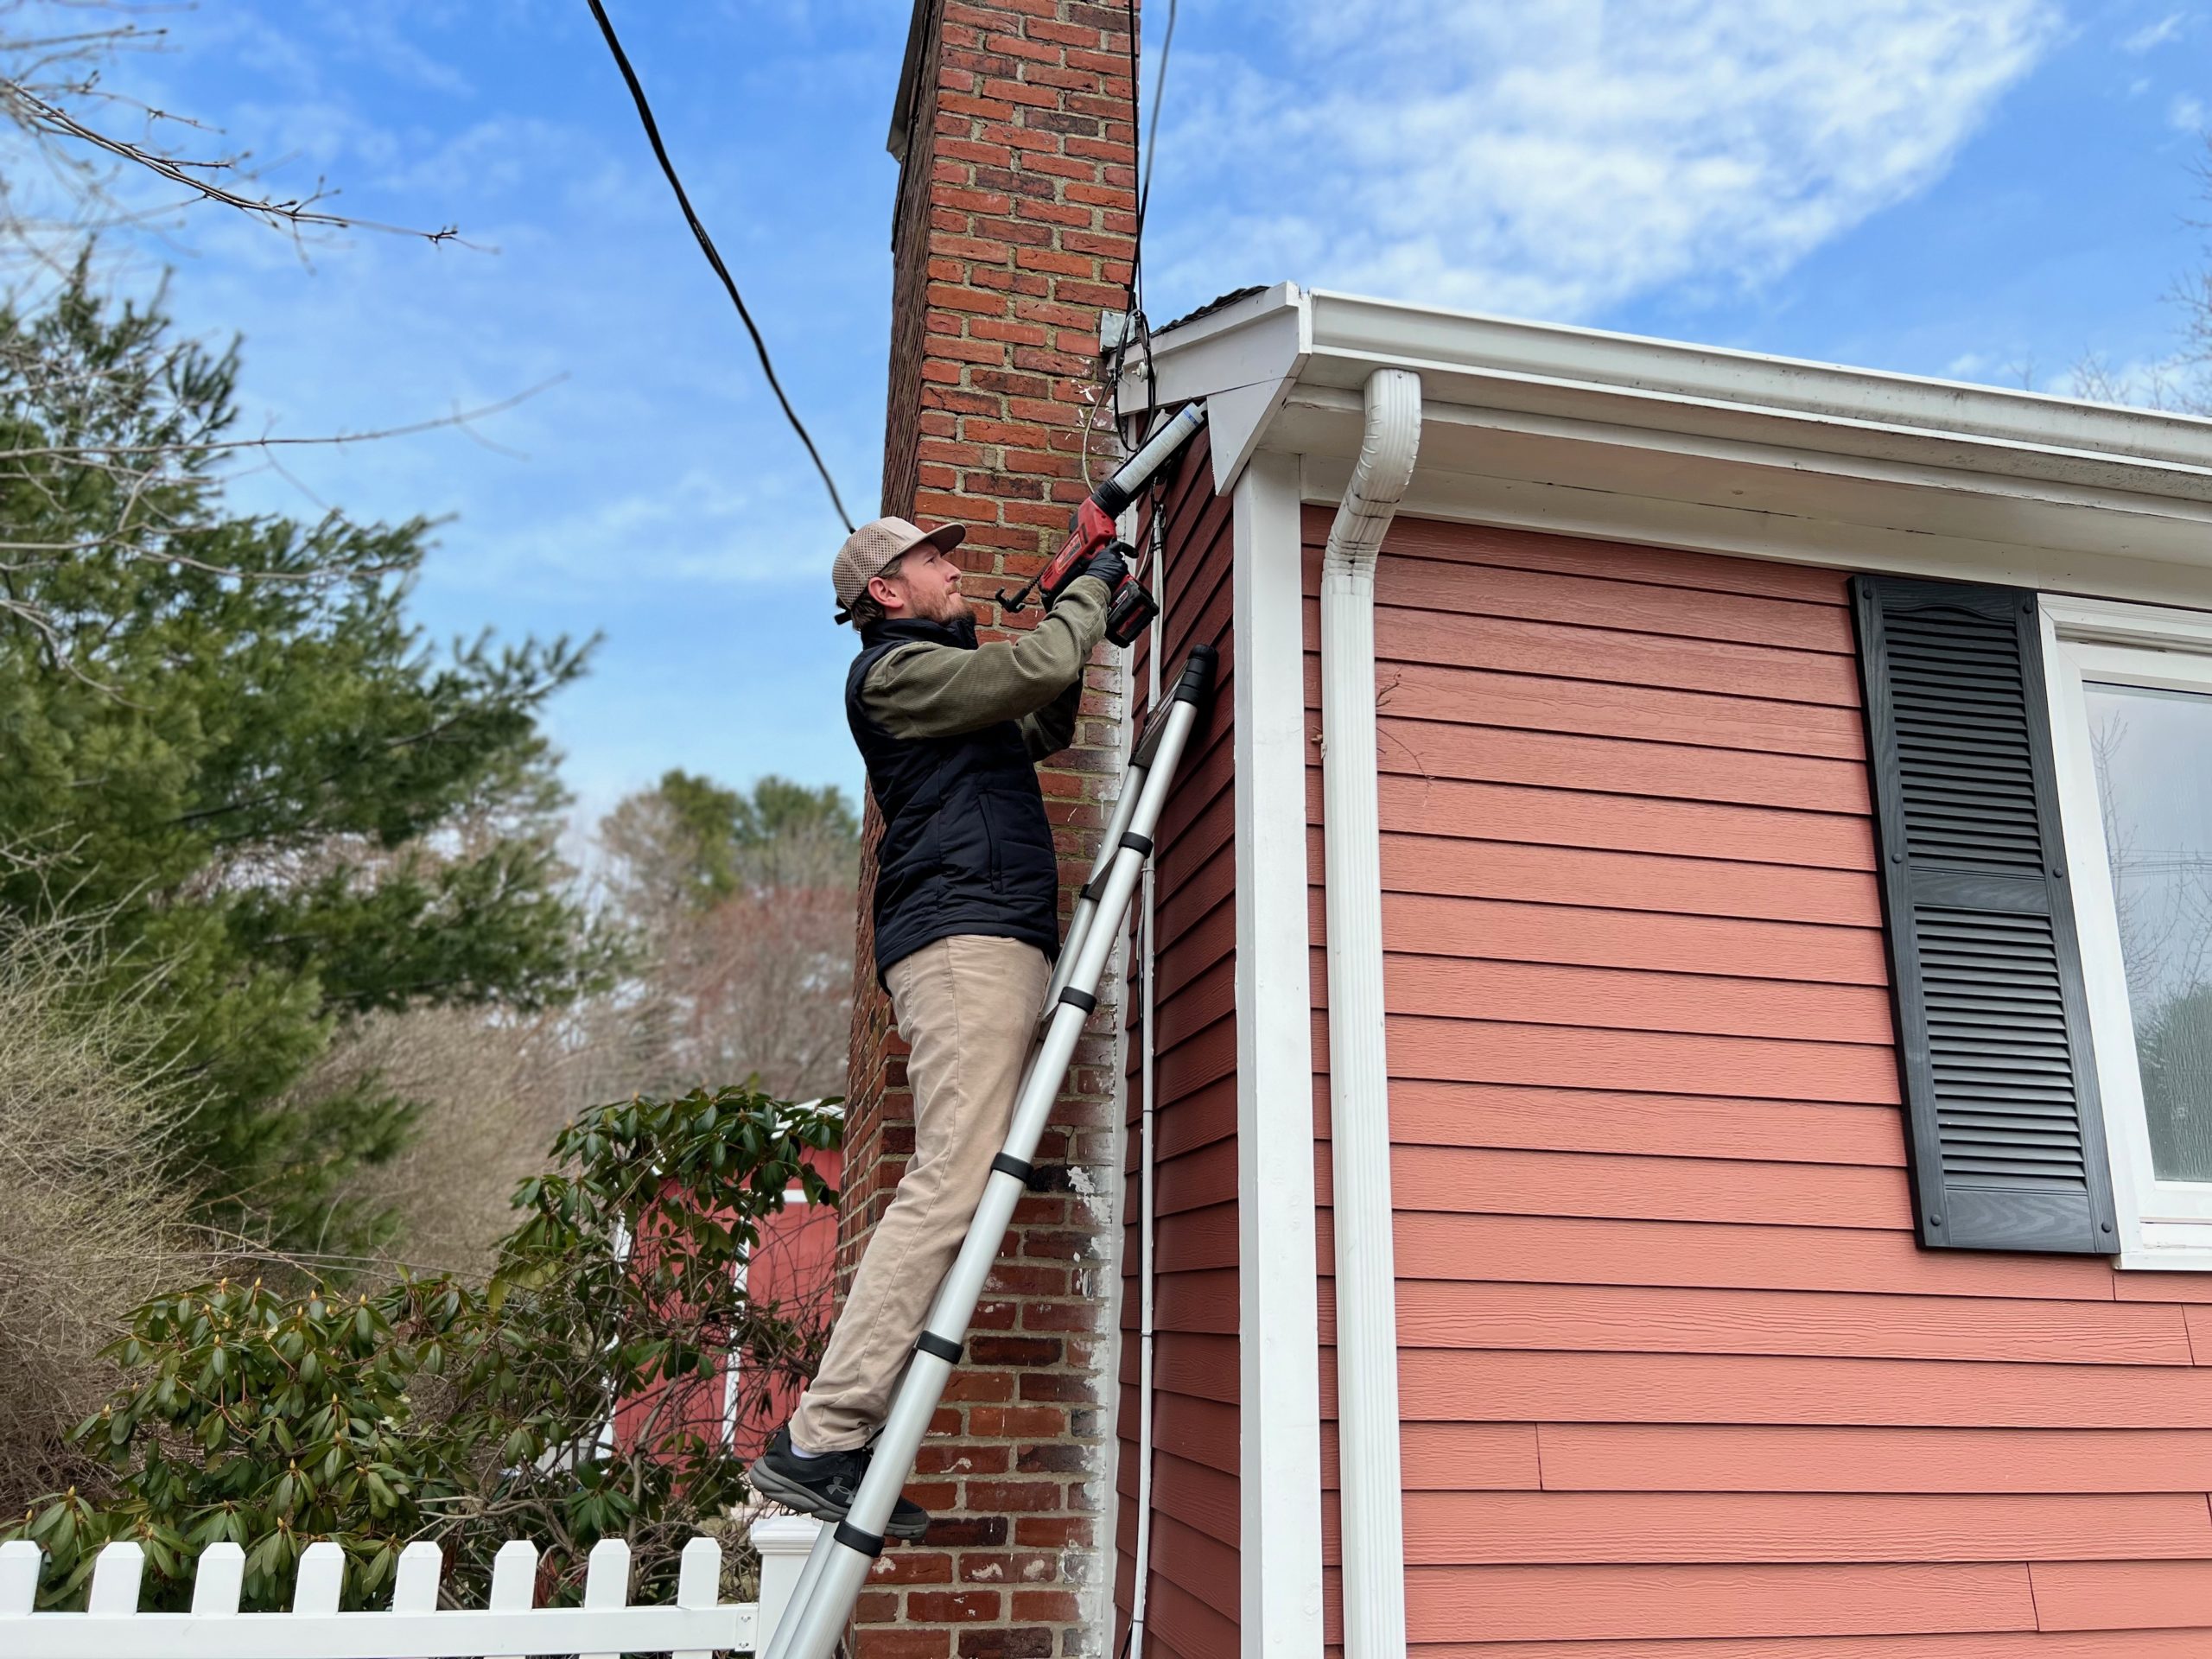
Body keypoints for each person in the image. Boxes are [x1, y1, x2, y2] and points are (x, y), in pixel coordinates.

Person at [747, 513, 1124, 1540]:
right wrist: (1086, 593)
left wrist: (1082, 613)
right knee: (951, 1180)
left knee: (962, 1174)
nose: (955, 569)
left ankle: (831, 1433)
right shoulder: (895, 676)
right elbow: (1034, 671)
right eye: (934, 561)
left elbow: (1042, 714)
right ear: (887, 592)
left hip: (986, 934)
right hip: (961, 940)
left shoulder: (946, 684)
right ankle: (823, 1436)